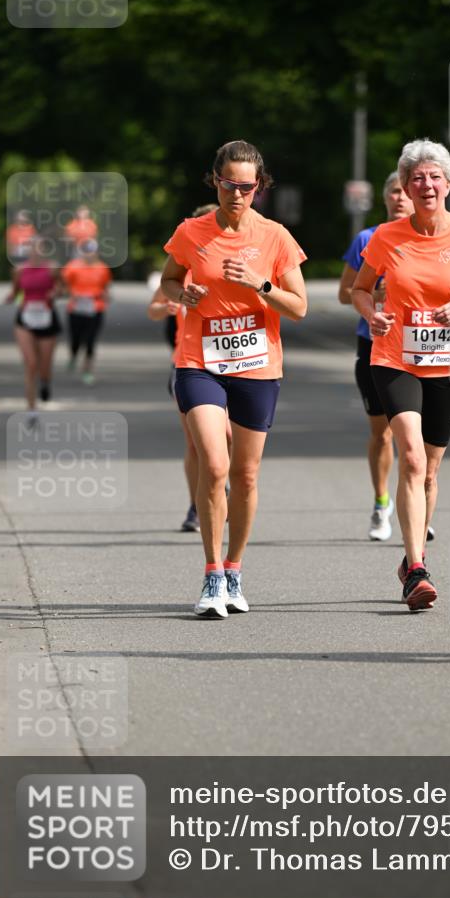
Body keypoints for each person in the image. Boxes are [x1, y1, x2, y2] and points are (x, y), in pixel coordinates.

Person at [352, 138, 450, 611]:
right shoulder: (386, 237)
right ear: (404, 187)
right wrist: (372, 313)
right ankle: (417, 568)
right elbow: (360, 289)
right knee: (412, 458)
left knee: (431, 471)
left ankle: (410, 554)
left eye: (434, 176)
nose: (426, 184)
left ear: (449, 183)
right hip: (395, 358)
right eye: (416, 178)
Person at [161, 140, 307, 619]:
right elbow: (167, 282)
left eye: (247, 187)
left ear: (258, 187)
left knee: (245, 476)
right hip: (198, 362)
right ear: (215, 182)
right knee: (215, 464)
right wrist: (185, 292)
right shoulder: (191, 232)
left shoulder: (275, 238)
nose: (237, 194)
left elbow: (300, 307)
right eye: (229, 185)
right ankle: (210, 576)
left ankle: (234, 569)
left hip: (257, 367)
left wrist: (259, 285)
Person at [339, 173, 416, 541]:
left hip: (418, 346)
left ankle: (416, 504)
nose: (400, 198)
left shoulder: (430, 239)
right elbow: (344, 293)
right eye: (394, 191)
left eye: (406, 191)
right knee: (383, 434)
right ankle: (382, 501)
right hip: (373, 344)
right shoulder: (367, 239)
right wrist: (376, 291)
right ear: (385, 197)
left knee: (416, 436)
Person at [148, 204, 223, 533]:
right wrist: (168, 304)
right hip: (188, 363)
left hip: (232, 364)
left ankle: (219, 483)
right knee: (196, 442)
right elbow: (154, 307)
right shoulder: (183, 268)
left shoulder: (231, 267)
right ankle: (196, 503)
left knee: (228, 438)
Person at [5, 236, 62, 424]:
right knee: (30, 364)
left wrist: (55, 293)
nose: (36, 252)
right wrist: (10, 297)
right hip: (25, 318)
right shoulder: (19, 270)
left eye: (40, 248)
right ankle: (31, 409)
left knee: (44, 365)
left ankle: (45, 383)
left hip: (47, 318)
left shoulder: (53, 268)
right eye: (33, 249)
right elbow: (14, 292)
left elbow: (62, 288)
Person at [61, 239, 112, 384]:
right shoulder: (72, 267)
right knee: (75, 339)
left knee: (90, 340)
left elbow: (106, 289)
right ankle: (73, 355)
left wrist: (105, 296)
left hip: (95, 308)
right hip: (76, 308)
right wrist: (71, 294)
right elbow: (64, 288)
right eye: (87, 251)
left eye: (92, 251)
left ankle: (87, 370)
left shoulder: (103, 268)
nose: (90, 254)